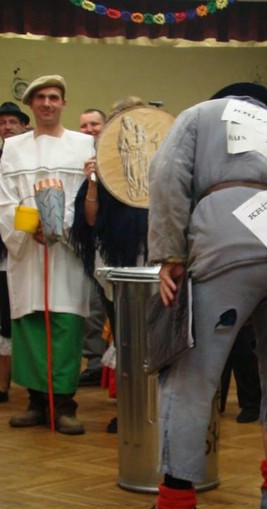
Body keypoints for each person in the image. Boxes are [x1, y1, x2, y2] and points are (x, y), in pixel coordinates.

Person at [111, 82, 267, 509]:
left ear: (227, 100)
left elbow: (166, 173)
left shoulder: (202, 115)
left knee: (191, 376)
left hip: (225, 246)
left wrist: (169, 254)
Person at [0, 75, 94, 434]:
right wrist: (31, 227)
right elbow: (5, 197)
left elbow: (86, 194)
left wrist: (58, 226)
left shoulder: (83, 144)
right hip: (27, 248)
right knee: (30, 324)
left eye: (54, 97)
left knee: (66, 323)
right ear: (31, 105)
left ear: (63, 103)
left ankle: (64, 404)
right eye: (40, 98)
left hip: (67, 250)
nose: (47, 103)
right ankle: (37, 402)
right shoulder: (13, 147)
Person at [71, 97, 149, 433]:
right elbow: (89, 221)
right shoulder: (103, 165)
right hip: (115, 266)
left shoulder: (162, 162)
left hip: (156, 264)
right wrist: (92, 181)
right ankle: (130, 410)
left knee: (155, 338)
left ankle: (155, 407)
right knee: (124, 339)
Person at [0, 101, 30, 402]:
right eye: (2, 123)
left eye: (12, 122)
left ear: (23, 125)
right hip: (4, 248)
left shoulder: (30, 159)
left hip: (26, 245)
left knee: (17, 316)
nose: (7, 127)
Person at [78, 108, 108, 387]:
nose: (89, 129)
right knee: (93, 308)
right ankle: (96, 364)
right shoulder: (77, 158)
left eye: (94, 124)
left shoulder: (114, 156)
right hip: (87, 245)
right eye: (84, 125)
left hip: (119, 245)